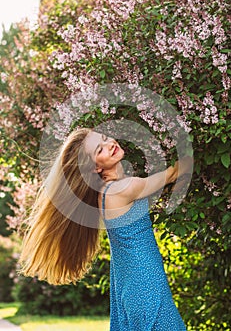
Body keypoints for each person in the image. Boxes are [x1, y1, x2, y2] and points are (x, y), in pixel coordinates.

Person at [19, 127, 192, 330]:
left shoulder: (104, 192)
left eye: (105, 138)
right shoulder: (124, 189)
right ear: (95, 168)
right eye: (100, 150)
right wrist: (194, 145)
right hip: (146, 283)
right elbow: (172, 173)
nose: (110, 144)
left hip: (130, 285)